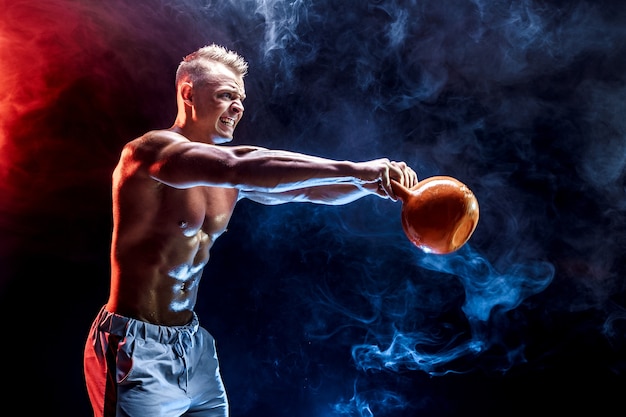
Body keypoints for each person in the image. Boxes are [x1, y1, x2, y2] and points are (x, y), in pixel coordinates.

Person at [83, 43, 418, 417]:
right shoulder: (149, 152)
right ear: (188, 93)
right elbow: (235, 163)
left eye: (240, 99)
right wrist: (355, 169)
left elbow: (310, 189)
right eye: (226, 95)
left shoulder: (229, 183)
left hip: (192, 345)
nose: (238, 107)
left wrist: (372, 185)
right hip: (136, 347)